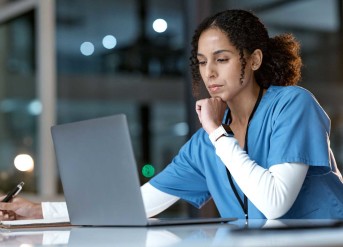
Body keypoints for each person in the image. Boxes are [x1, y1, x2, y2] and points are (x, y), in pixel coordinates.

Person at [1, 9, 343, 221]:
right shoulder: (205, 145)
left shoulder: (292, 105)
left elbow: (274, 203)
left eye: (222, 59)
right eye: (202, 62)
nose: (209, 72)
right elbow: (139, 204)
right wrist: (39, 211)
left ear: (253, 60)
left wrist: (216, 133)